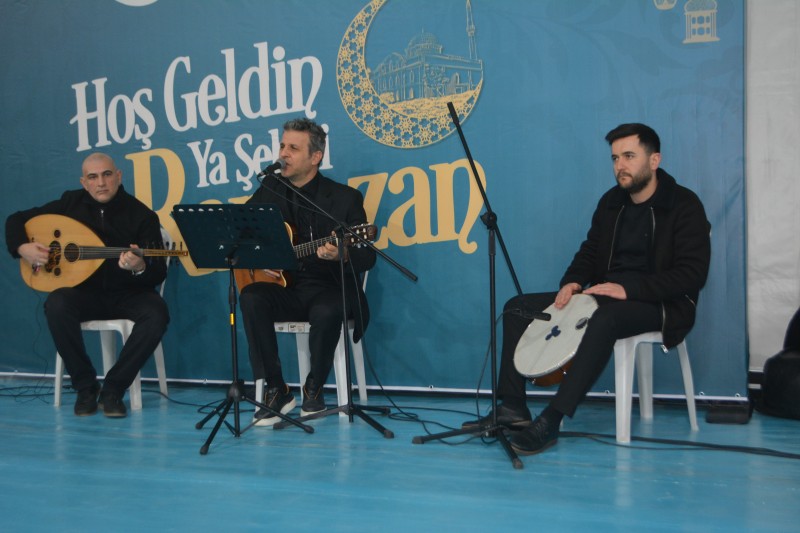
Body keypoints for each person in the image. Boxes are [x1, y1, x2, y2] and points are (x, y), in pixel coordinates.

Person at [463, 123, 711, 455]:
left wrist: (629, 289)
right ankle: (512, 407)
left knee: (605, 319)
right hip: (604, 295)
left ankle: (551, 420)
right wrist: (573, 281)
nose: (620, 166)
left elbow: (692, 275)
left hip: (661, 304)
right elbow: (591, 252)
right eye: (615, 158)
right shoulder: (611, 202)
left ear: (654, 160)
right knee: (517, 308)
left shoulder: (684, 204)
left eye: (629, 156)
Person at [5, 153, 169, 418]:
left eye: (107, 174)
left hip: (128, 294)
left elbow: (158, 272)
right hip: (84, 294)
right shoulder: (69, 203)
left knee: (157, 312)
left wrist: (139, 266)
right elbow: (15, 219)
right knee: (57, 303)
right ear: (84, 182)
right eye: (93, 177)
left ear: (119, 176)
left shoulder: (142, 215)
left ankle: (113, 389)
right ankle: (85, 387)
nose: (101, 183)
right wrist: (22, 247)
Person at [240, 118, 376, 426]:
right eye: (282, 146)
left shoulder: (345, 198)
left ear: (315, 157)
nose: (283, 154)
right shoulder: (270, 189)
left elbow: (367, 257)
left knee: (327, 309)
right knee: (251, 296)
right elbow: (242, 232)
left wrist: (342, 254)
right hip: (286, 288)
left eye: (293, 148)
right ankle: (277, 388)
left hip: (329, 287)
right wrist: (262, 257)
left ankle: (314, 387)